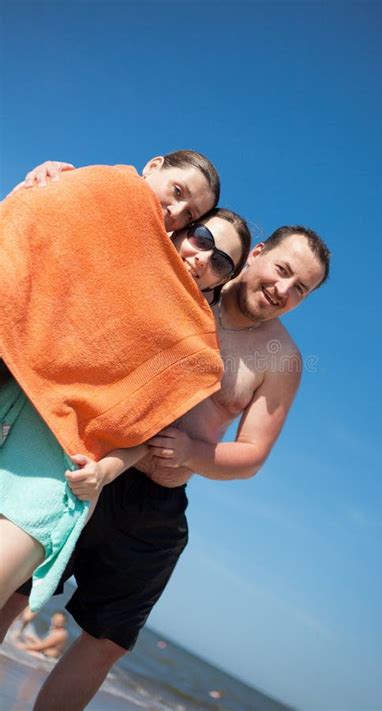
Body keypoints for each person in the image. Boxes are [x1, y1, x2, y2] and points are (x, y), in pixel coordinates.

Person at [1, 216, 331, 711]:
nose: (283, 289)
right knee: (15, 588)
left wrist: (192, 453)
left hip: (155, 503)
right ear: (258, 252)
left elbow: (252, 456)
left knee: (108, 639)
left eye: (300, 288)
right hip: (89, 462)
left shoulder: (281, 358)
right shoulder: (191, 282)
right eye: (282, 269)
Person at [0, 154, 251, 612]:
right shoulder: (97, 209)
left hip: (60, 468)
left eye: (219, 260)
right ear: (153, 167)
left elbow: (145, 433)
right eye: (200, 235)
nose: (200, 253)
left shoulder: (195, 346)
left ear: (225, 279)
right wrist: (43, 183)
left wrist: (102, 475)